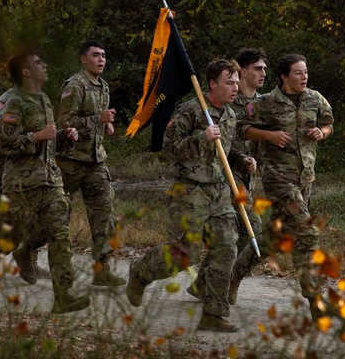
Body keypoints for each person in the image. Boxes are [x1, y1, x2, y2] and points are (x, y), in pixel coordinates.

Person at [126, 59, 256, 332]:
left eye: (236, 82)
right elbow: (167, 150)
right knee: (184, 255)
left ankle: (214, 314)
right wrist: (201, 137)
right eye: (229, 82)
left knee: (226, 248)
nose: (235, 88)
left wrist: (241, 159)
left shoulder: (230, 116)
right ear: (212, 84)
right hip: (189, 192)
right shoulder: (191, 111)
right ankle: (140, 272)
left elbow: (222, 152)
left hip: (218, 192)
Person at [0, 51, 90, 314]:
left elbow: (50, 141)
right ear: (26, 72)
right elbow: (6, 145)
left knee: (60, 236)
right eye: (38, 63)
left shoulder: (44, 99)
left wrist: (67, 136)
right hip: (21, 184)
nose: (45, 65)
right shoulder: (12, 102)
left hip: (50, 181)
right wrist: (37, 135)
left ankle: (63, 296)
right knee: (7, 238)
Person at [231, 54, 334, 319]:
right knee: (308, 233)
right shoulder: (265, 103)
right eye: (298, 73)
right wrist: (269, 136)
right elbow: (242, 127)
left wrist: (321, 133)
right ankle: (316, 303)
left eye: (306, 72)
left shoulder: (315, 98)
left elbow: (328, 123)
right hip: (278, 180)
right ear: (284, 77)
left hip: (305, 178)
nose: (304, 77)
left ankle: (231, 276)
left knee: (272, 240)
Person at [188, 48, 266, 302]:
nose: (263, 73)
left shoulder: (260, 103)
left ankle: (205, 282)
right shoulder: (226, 105)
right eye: (257, 68)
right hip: (226, 178)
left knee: (233, 233)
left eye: (264, 68)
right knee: (249, 227)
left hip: (243, 174)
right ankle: (221, 284)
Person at [47, 39, 125, 286]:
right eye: (95, 55)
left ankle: (102, 271)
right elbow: (64, 122)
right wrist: (96, 118)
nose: (101, 60)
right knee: (57, 212)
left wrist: (106, 124)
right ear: (83, 59)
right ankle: (27, 248)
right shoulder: (75, 86)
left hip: (95, 161)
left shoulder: (103, 87)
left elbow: (96, 121)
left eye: (103, 55)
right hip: (70, 161)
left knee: (105, 213)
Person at [0, 87, 51, 281]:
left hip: (34, 172)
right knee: (8, 223)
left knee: (36, 220)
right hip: (6, 171)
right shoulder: (7, 101)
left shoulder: (41, 98)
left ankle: (29, 261)